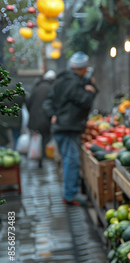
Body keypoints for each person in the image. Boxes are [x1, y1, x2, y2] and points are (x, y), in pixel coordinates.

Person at [43, 52, 98, 205]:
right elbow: (85, 102)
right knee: (71, 161)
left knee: (68, 160)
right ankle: (69, 195)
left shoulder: (60, 80)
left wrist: (52, 114)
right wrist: (91, 88)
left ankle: (69, 193)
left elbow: (47, 102)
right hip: (68, 127)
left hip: (61, 126)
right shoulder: (74, 83)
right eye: (86, 68)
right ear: (81, 68)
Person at [26, 70, 56, 168]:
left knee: (36, 138)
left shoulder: (36, 87)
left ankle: (37, 157)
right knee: (45, 138)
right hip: (45, 119)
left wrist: (32, 113)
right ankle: (43, 158)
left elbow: (28, 103)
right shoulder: (51, 88)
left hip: (34, 118)